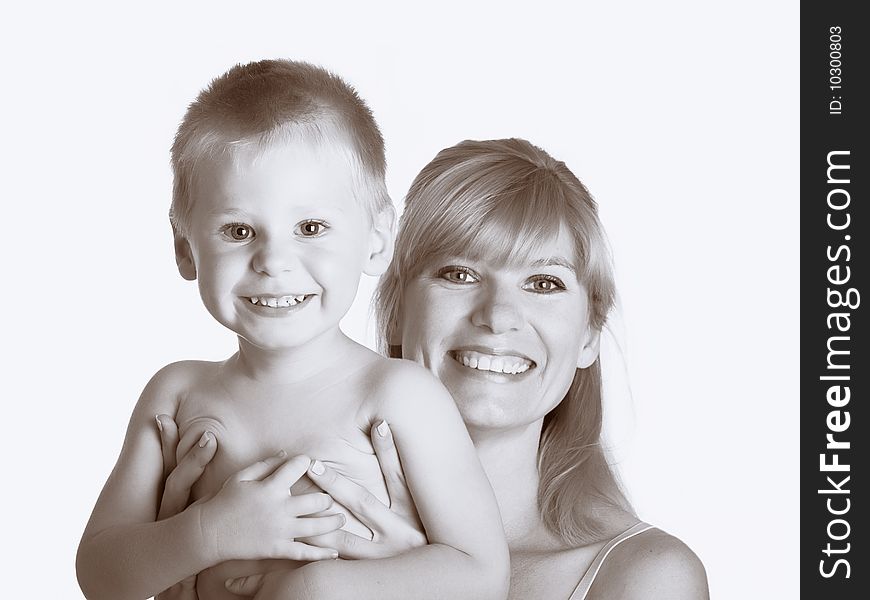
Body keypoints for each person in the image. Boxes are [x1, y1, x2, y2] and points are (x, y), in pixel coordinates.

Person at [161, 137, 709, 598]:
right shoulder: (261, 526)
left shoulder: (644, 577)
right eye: (459, 273)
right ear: (396, 311)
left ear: (589, 334)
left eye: (544, 283)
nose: (497, 317)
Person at [75, 61, 509, 600]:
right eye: (238, 230)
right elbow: (99, 574)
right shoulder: (177, 394)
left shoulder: (399, 396)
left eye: (311, 227)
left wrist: (322, 586)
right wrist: (204, 533)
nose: (274, 261)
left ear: (376, 240)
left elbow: (482, 575)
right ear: (186, 248)